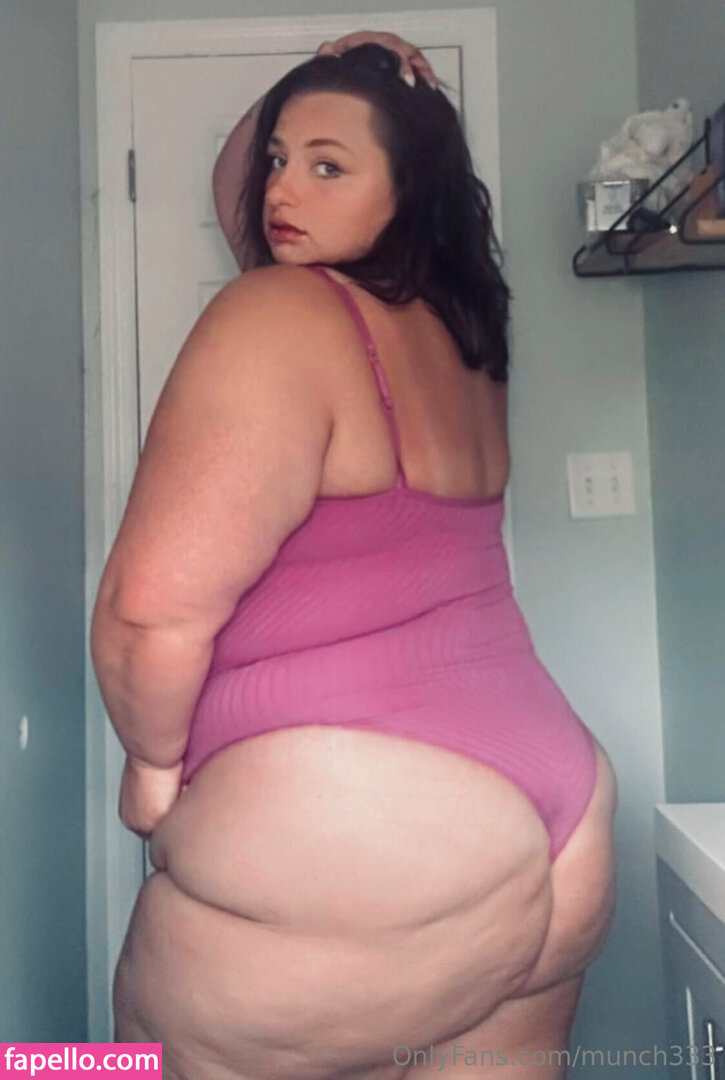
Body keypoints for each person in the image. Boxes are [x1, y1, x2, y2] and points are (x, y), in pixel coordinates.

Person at [90, 29, 618, 1080]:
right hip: (555, 805)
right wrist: (340, 68)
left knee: (93, 1069)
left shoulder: (278, 314)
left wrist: (150, 768)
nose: (281, 188)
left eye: (327, 166)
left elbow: (149, 611)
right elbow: (248, 191)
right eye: (279, 159)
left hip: (365, 825)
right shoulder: (465, 337)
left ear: (404, 188)